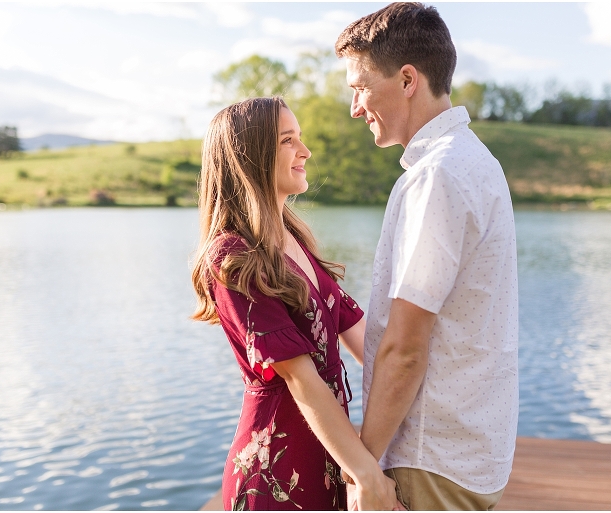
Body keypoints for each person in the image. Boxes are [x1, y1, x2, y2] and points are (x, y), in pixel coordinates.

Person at [335, 3, 519, 511]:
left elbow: (407, 348)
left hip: (429, 459)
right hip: (468, 454)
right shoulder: (476, 160)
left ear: (407, 80)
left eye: (359, 87)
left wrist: (363, 469)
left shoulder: (437, 176)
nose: (355, 107)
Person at [191, 97, 399, 511]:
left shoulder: (295, 240)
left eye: (299, 138)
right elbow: (300, 378)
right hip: (275, 476)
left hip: (328, 457)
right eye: (288, 140)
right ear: (251, 157)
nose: (305, 151)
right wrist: (367, 475)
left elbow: (370, 343)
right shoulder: (232, 256)